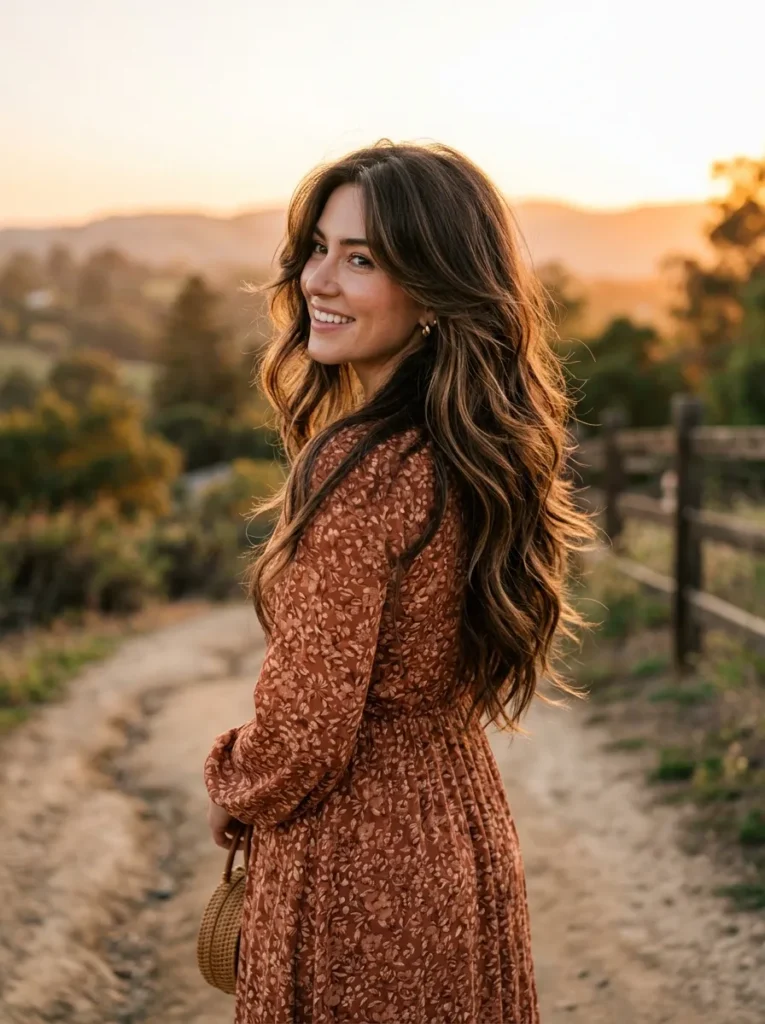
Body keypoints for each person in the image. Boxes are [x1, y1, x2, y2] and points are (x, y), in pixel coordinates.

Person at [203, 139, 593, 1023]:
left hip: (354, 859)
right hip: (457, 826)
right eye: (317, 249)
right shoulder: (462, 450)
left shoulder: (359, 467)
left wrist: (233, 780)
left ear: (432, 288)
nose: (317, 282)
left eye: (362, 259)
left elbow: (306, 732)